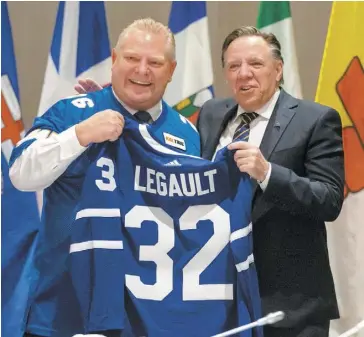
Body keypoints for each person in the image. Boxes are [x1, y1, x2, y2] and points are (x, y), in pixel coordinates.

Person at [77, 25, 345, 337]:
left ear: (278, 69)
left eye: (255, 64)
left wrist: (267, 173)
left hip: (288, 305)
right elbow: (164, 160)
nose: (244, 74)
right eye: (234, 66)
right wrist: (116, 107)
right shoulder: (212, 114)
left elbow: (328, 200)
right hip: (220, 300)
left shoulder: (315, 119)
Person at [9, 18, 200, 337]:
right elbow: (20, 173)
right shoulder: (72, 112)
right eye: (131, 58)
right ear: (113, 60)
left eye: (154, 62)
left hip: (147, 318)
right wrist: (79, 135)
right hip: (62, 313)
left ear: (171, 69)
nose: (142, 70)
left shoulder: (187, 133)